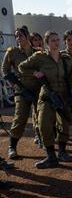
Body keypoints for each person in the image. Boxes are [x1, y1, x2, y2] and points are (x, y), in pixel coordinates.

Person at [19, 31, 72, 169]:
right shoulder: (40, 57)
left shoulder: (65, 58)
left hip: (62, 94)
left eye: (57, 40)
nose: (56, 42)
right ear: (47, 43)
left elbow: (70, 76)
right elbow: (22, 67)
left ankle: (62, 152)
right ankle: (51, 156)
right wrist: (35, 73)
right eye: (52, 40)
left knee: (64, 124)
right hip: (47, 95)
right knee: (44, 124)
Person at [2, 27, 42, 160]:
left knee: (41, 115)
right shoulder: (12, 52)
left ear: (26, 36)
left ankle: (42, 138)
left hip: (37, 88)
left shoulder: (37, 52)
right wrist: (14, 84)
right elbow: (5, 70)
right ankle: (12, 147)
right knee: (20, 118)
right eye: (16, 36)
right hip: (21, 89)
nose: (18, 38)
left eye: (21, 35)